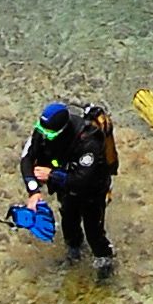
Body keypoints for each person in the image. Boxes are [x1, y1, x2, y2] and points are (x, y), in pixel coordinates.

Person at [20, 99, 118, 273]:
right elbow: (26, 158)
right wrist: (33, 191)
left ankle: (105, 261)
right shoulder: (42, 131)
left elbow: (83, 180)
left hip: (92, 190)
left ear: (63, 130)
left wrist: (51, 175)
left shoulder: (89, 140)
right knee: (69, 223)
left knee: (93, 231)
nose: (44, 136)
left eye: (49, 134)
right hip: (65, 188)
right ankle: (74, 253)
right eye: (42, 130)